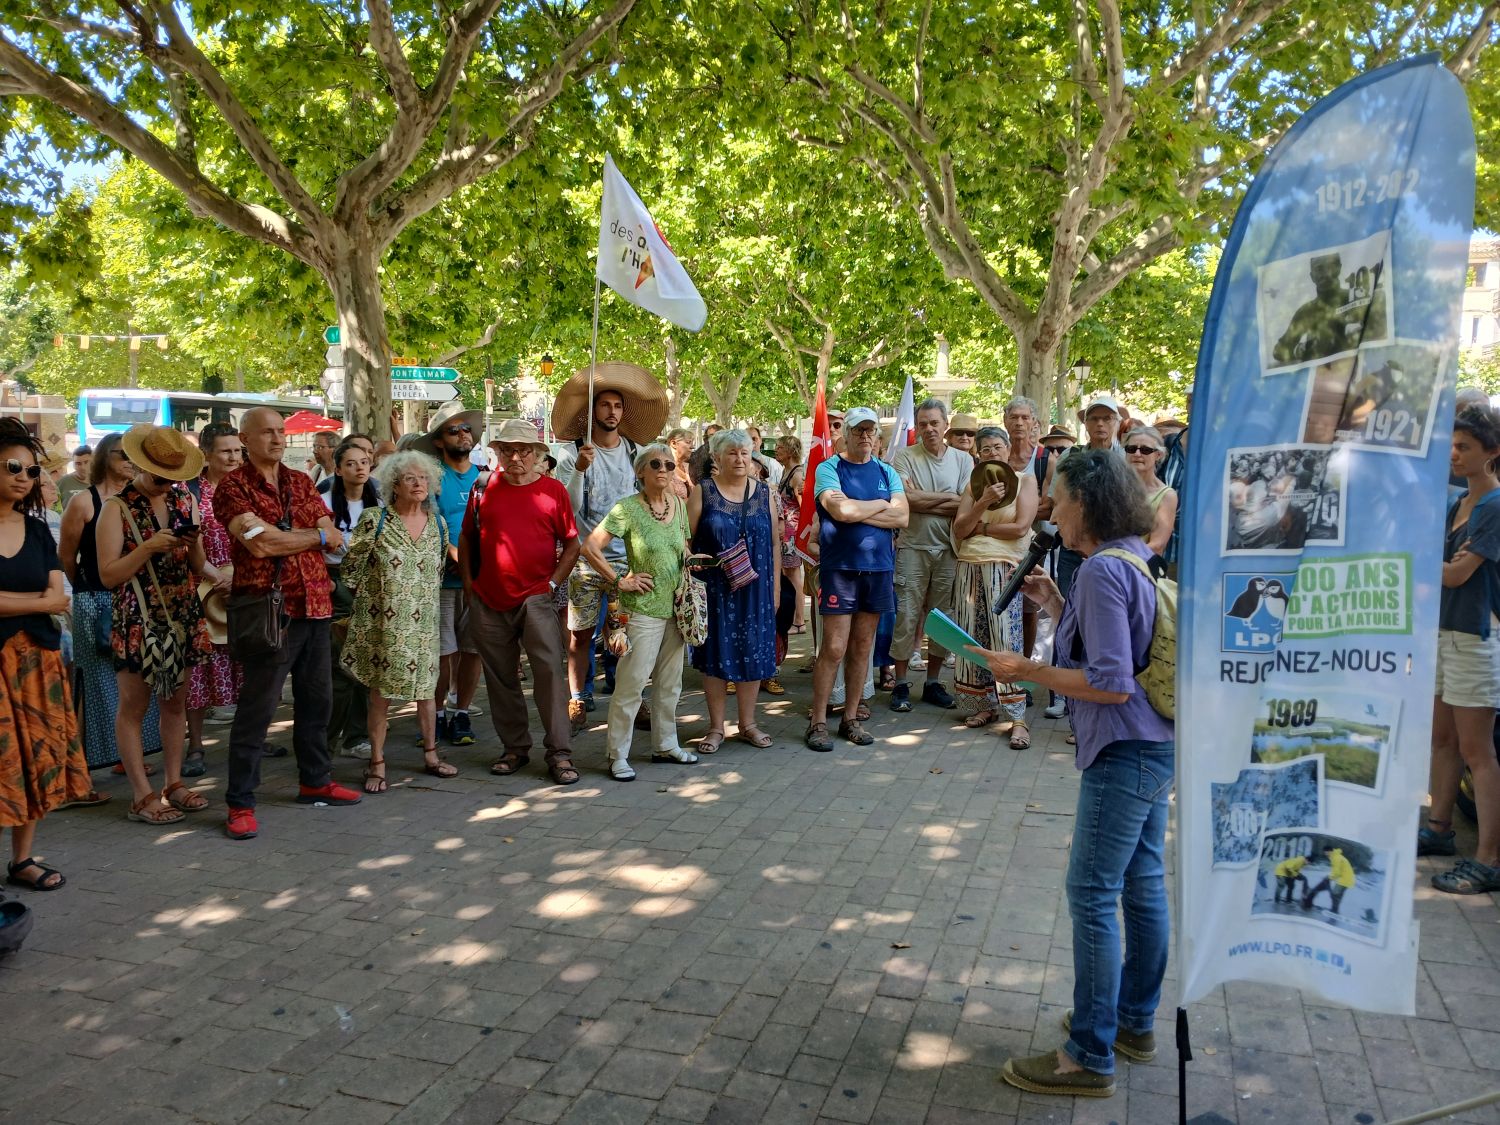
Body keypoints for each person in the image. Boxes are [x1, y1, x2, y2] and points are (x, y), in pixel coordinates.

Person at [971, 449, 1173, 1097]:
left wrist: (1026, 670)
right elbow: (1117, 651)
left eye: (1057, 500)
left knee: (1092, 893)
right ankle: (1132, 1023)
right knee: (1142, 883)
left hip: (1123, 749)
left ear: (1085, 502)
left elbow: (1110, 683)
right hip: (1152, 744)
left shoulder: (1103, 571)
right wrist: (1059, 603)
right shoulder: (1125, 558)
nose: (1050, 512)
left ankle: (1088, 1053)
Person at [213, 407, 362, 841]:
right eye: (267, 432)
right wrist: (313, 537)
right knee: (257, 709)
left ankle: (315, 780)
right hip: (269, 612)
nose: (278, 439)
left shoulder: (300, 481)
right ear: (245, 439)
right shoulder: (233, 487)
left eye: (281, 431)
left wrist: (298, 537)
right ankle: (240, 802)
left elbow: (331, 533)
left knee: (318, 701)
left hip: (315, 604)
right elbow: (260, 545)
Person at [96, 426, 220, 826]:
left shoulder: (184, 498)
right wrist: (148, 547)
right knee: (134, 707)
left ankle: (173, 783)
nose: (166, 483)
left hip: (181, 614)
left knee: (174, 703)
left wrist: (193, 544)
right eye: (159, 475)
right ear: (140, 465)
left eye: (172, 476)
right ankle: (141, 795)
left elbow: (197, 565)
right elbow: (108, 575)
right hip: (139, 617)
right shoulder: (117, 507)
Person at [0, 419, 93, 890]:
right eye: (13, 467)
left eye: (32, 470)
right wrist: (38, 602)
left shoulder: (38, 530)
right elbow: (48, 600)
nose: (24, 477)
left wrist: (20, 603)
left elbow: (60, 597)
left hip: (39, 661)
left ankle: (21, 861)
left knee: (36, 757)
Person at [462, 420, 581, 786]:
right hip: (488, 598)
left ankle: (559, 752)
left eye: (524, 450)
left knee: (549, 675)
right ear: (497, 452)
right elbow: (467, 538)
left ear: (537, 454)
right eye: (508, 450)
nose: (516, 457)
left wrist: (552, 583)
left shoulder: (553, 491)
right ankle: (514, 748)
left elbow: (572, 543)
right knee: (500, 678)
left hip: (535, 598)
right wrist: (469, 586)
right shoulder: (482, 487)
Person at [552, 362, 669, 731]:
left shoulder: (637, 452)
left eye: (617, 406)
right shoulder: (571, 453)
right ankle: (578, 698)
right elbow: (568, 509)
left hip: (629, 560)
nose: (612, 412)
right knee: (580, 635)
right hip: (585, 560)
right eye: (604, 405)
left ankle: (630, 696)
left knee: (628, 634)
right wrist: (579, 469)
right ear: (592, 412)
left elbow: (650, 499)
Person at [581, 444, 699, 780]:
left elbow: (682, 547)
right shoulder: (628, 508)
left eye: (669, 464)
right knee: (632, 684)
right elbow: (589, 547)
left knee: (670, 683)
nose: (663, 469)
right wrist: (620, 579)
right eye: (655, 464)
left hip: (676, 607)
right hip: (643, 609)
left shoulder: (678, 505)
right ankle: (617, 754)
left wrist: (693, 562)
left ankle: (666, 745)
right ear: (641, 472)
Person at [341, 450, 452, 792]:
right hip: (384, 626)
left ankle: (431, 755)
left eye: (423, 477)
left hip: (425, 624)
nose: (418, 483)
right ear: (394, 485)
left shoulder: (438, 524)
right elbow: (351, 570)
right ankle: (376, 763)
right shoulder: (375, 520)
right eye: (409, 478)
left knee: (427, 691)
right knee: (381, 693)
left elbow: (437, 572)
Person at [1423, 406, 1500, 894]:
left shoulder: (1494, 506)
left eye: (1464, 447)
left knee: (1478, 751)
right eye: (1451, 445)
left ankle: (1489, 858)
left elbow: (1455, 574)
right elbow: (1445, 568)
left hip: (1476, 636)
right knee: (1442, 739)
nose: (1453, 454)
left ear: (1492, 452)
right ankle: (1439, 828)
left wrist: (1422, 559)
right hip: (1445, 629)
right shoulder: (1458, 503)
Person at [57, 432, 163, 773]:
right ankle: (91, 761)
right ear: (105, 457)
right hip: (94, 599)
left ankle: (129, 756)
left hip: (135, 598)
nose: (130, 462)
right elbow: (67, 556)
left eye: (134, 456)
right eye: (123, 454)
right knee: (98, 681)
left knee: (138, 677)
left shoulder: (139, 499)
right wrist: (87, 590)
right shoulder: (83, 502)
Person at [806, 407, 909, 752]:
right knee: (834, 647)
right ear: (846, 435)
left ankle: (850, 718)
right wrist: (882, 505)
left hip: (879, 569)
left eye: (870, 430)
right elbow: (840, 511)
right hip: (840, 569)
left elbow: (903, 517)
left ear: (877, 436)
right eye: (858, 430)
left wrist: (859, 509)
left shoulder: (887, 471)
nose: (865, 436)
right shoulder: (828, 468)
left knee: (863, 646)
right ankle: (818, 721)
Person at [689, 429, 781, 752]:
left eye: (744, 452)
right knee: (716, 654)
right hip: (716, 589)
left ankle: (748, 723)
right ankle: (716, 727)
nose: (740, 459)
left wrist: (776, 589)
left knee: (753, 650)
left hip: (757, 589)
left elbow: (775, 543)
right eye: (732, 453)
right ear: (717, 457)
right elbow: (686, 540)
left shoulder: (764, 493)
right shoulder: (703, 492)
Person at [951, 427, 1037, 743]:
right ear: (978, 454)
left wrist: (982, 528)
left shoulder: (1025, 480)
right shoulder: (973, 486)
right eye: (985, 449)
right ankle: (984, 705)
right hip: (969, 565)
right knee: (973, 637)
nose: (991, 453)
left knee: (1005, 638)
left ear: (1008, 449)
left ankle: (1017, 717)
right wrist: (983, 501)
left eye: (997, 447)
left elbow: (1021, 528)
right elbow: (960, 529)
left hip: (1004, 567)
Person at [890, 399, 971, 713]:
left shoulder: (963, 460)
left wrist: (922, 498)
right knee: (906, 615)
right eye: (923, 424)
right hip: (912, 547)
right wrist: (948, 498)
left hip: (950, 549)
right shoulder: (905, 456)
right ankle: (900, 683)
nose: (929, 429)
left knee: (943, 618)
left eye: (934, 423)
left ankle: (933, 683)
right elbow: (905, 500)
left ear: (945, 425)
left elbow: (965, 504)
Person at [413, 402, 486, 748]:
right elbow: (427, 524)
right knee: (442, 653)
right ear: (439, 441)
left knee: (473, 650)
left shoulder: (485, 478)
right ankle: (436, 714)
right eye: (453, 430)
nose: (462, 434)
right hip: (441, 581)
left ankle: (462, 712)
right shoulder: (430, 477)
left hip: (480, 582)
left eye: (466, 428)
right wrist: (458, 556)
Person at [185, 422, 246, 777]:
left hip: (245, 588)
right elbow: (187, 543)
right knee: (199, 671)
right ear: (206, 454)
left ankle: (251, 738)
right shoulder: (190, 491)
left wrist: (239, 578)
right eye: (226, 451)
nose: (234, 457)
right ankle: (195, 746)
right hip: (202, 590)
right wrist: (216, 576)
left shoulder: (251, 490)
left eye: (238, 450)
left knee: (250, 666)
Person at [325, 439, 378, 759]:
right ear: (337, 469)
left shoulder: (380, 501)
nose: (359, 468)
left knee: (366, 667)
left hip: (371, 585)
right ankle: (326, 741)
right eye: (351, 463)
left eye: (364, 461)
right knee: (339, 668)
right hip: (335, 584)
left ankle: (356, 737)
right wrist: (332, 586)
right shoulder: (323, 503)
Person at [1123, 426, 1177, 557]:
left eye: (1145, 450)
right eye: (1131, 449)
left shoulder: (1167, 496)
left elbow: (1157, 545)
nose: (1137, 454)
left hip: (1140, 566)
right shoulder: (1114, 486)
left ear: (1158, 455)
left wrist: (1117, 559)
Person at [774, 434, 806, 638]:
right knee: (789, 573)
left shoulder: (796, 474)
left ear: (790, 451)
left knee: (794, 576)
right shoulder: (786, 471)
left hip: (791, 533)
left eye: (780, 447)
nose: (776, 450)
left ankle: (799, 620)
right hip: (786, 532)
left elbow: (803, 506)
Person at [1303, 846, 1355, 914]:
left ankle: (1334, 911)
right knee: (1336, 895)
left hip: (1344, 879)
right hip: (1346, 879)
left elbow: (1337, 873)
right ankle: (1334, 910)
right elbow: (1336, 872)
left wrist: (1329, 877)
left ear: (1329, 851)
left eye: (1325, 852)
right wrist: (1329, 877)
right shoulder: (1336, 856)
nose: (1325, 854)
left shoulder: (1336, 858)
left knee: (1335, 895)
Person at [665, 428, 695, 499]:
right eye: (688, 442)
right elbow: (670, 502)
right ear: (673, 443)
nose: (692, 447)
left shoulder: (688, 467)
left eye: (692, 443)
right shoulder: (664, 469)